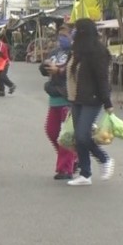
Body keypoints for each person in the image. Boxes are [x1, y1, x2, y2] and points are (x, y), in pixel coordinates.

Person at [65, 18, 115, 186]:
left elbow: (102, 78)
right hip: (76, 98)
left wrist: (107, 103)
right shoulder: (78, 51)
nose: (74, 33)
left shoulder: (98, 52)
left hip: (92, 99)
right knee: (79, 138)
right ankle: (85, 174)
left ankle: (104, 159)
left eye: (77, 30)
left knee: (82, 134)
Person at [40, 25, 77, 180]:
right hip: (54, 98)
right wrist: (45, 67)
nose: (61, 38)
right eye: (60, 35)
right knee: (51, 131)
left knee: (65, 135)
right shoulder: (55, 52)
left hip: (68, 98)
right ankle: (73, 158)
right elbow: (44, 70)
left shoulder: (75, 53)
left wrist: (59, 71)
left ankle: (65, 169)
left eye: (65, 35)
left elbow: (74, 72)